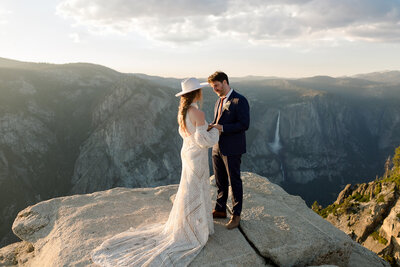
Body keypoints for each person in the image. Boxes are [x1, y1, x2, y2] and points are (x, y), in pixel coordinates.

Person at [90, 77, 219, 266]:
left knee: (189, 187)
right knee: (196, 187)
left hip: (187, 153)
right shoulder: (198, 112)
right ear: (197, 93)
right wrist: (216, 131)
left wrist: (205, 127)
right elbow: (203, 141)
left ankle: (189, 223)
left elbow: (192, 133)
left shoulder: (182, 112)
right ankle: (194, 228)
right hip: (196, 155)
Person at [207, 71, 250, 230]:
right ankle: (220, 209)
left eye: (216, 86)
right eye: (213, 87)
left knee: (234, 181)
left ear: (225, 82)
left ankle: (236, 215)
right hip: (217, 146)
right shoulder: (219, 101)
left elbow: (244, 124)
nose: (215, 89)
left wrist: (222, 127)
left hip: (232, 148)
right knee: (220, 180)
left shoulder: (240, 100)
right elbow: (219, 121)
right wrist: (211, 126)